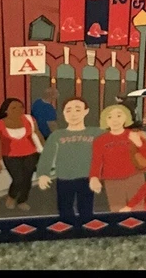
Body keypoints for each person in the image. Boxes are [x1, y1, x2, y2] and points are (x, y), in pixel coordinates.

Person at [36, 96, 102, 225]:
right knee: (65, 210)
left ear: (86, 111)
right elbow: (47, 155)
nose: (73, 114)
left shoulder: (96, 133)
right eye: (68, 110)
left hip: (87, 176)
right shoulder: (57, 135)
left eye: (77, 110)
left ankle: (85, 231)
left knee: (86, 209)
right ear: (63, 113)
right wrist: (43, 174)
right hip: (64, 177)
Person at [89, 103, 146, 211]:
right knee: (117, 210)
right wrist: (94, 178)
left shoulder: (134, 134)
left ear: (126, 118)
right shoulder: (100, 140)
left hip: (135, 177)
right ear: (105, 120)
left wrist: (139, 144)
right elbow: (96, 161)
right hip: (112, 180)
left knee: (138, 208)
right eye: (110, 117)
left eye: (119, 116)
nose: (115, 120)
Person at [0, 98, 44, 210]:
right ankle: (12, 196)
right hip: (10, 156)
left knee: (27, 179)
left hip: (31, 154)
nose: (18, 110)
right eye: (14, 108)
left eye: (21, 107)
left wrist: (46, 148)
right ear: (6, 110)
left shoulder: (29, 119)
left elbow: (37, 133)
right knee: (18, 179)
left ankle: (22, 200)